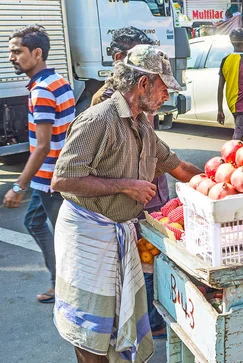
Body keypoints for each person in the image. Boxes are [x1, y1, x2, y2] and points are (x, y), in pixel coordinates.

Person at [51, 44, 203, 362]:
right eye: (163, 88)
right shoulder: (97, 120)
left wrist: (224, 182)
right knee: (89, 330)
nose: (167, 97)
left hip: (118, 232)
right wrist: (126, 186)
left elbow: (180, 168)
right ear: (143, 84)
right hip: (87, 234)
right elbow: (62, 180)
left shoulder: (143, 128)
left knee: (115, 325)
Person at [91, 26, 169, 340]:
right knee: (142, 259)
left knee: (152, 254)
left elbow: (151, 141)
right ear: (121, 58)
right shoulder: (105, 102)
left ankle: (152, 315)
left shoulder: (142, 94)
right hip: (132, 199)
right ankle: (149, 320)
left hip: (152, 190)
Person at [4, 25, 75, 304]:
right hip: (52, 175)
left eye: (17, 52)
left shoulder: (42, 90)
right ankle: (59, 282)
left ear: (37, 53)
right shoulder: (57, 80)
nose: (12, 57)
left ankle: (67, 288)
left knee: (65, 237)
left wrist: (18, 185)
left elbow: (43, 145)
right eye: (10, 51)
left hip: (51, 179)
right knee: (34, 222)